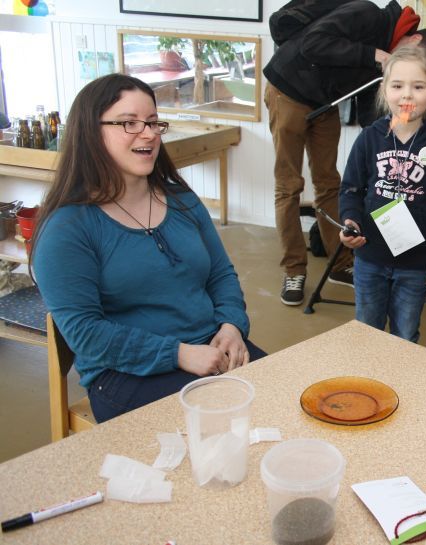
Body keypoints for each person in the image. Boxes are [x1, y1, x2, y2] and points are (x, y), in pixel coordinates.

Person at [31, 74, 266, 423]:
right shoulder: (67, 229)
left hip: (211, 347)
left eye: (154, 122)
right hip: (127, 375)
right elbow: (86, 333)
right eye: (129, 123)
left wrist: (232, 325)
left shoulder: (181, 200)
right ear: (90, 133)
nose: (150, 133)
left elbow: (221, 275)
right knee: (231, 431)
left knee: (288, 396)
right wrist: (179, 354)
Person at [263, 0, 426, 306]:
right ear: (413, 41)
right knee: (289, 186)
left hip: (324, 103)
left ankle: (340, 264)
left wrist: (390, 140)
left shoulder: (389, 64)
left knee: (330, 184)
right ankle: (294, 270)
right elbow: (313, 43)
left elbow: (369, 110)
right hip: (289, 91)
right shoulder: (368, 14)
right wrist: (376, 55)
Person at [338, 47, 426, 342]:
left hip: (416, 266)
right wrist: (349, 221)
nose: (407, 95)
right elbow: (350, 189)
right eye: (397, 85)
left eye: (418, 86)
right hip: (370, 258)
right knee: (367, 332)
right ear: (383, 90)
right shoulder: (369, 138)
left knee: (405, 335)